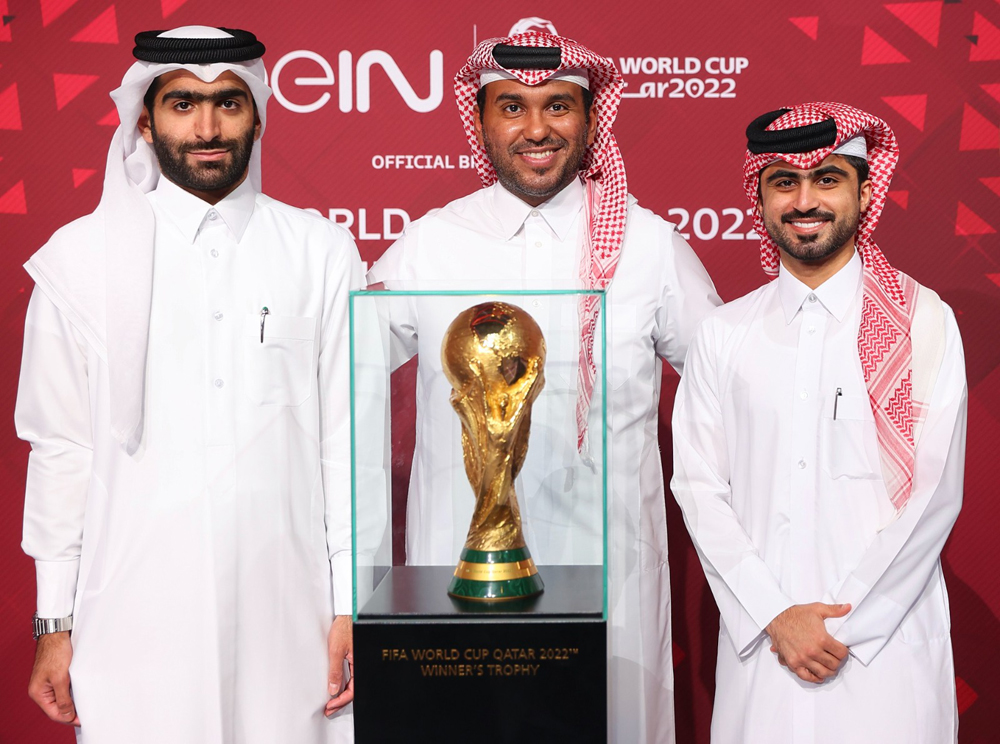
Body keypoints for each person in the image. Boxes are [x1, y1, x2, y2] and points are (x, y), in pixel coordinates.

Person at [367, 30, 720, 742]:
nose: (536, 129)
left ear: (591, 119)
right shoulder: (431, 244)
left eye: (558, 106)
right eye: (512, 107)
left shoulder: (648, 245)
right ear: (481, 119)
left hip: (613, 577)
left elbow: (733, 389)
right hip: (460, 582)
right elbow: (342, 368)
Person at [16, 26, 360, 743]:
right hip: (131, 623)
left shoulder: (320, 252)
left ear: (258, 115)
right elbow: (60, 452)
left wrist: (352, 602)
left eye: (228, 104)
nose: (206, 127)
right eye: (182, 104)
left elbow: (346, 445)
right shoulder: (77, 265)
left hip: (290, 618)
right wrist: (55, 621)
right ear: (144, 118)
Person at [671, 102, 966, 743]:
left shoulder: (923, 321)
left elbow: (935, 495)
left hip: (886, 655)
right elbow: (698, 488)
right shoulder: (724, 334)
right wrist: (778, 616)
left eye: (828, 178)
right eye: (784, 182)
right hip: (764, 651)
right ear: (761, 196)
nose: (805, 200)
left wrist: (842, 627)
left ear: (865, 189)